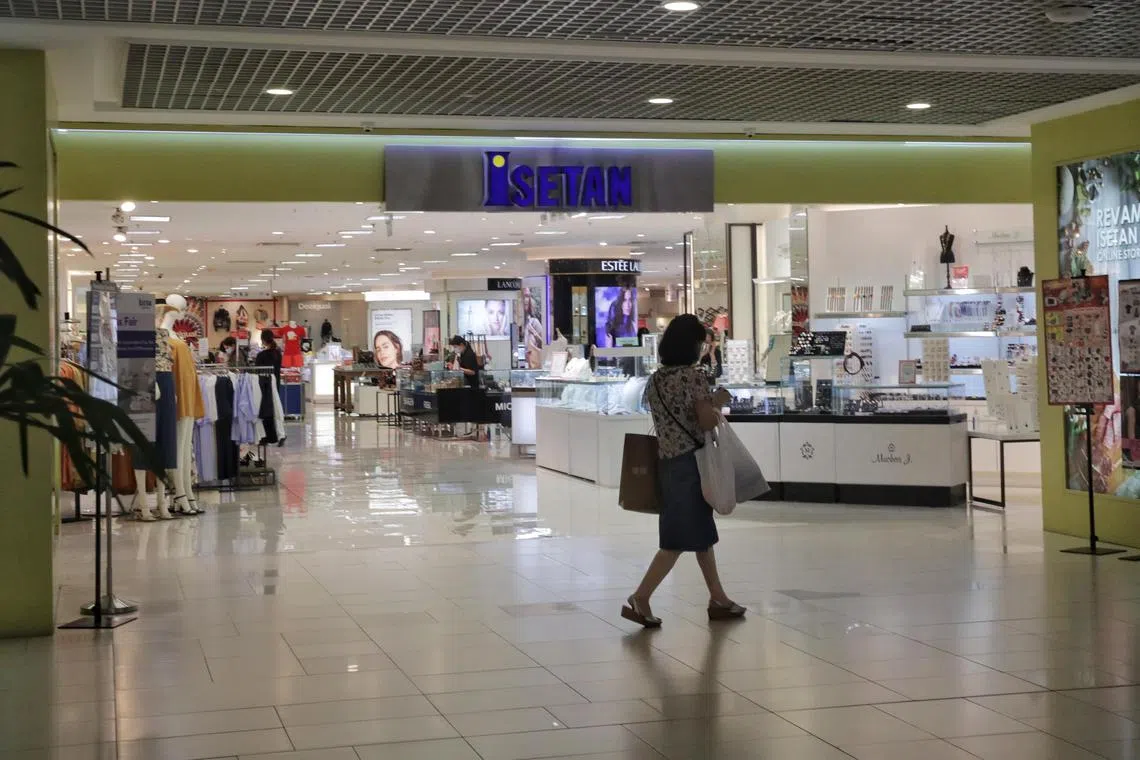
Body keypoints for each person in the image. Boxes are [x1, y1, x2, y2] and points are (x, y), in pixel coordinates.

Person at [624, 314, 743, 628]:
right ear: (692, 345)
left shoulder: (656, 380)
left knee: (702, 535)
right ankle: (641, 597)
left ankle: (718, 597)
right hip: (691, 464)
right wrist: (716, 401)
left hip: (668, 463)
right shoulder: (693, 377)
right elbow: (704, 421)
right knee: (676, 540)